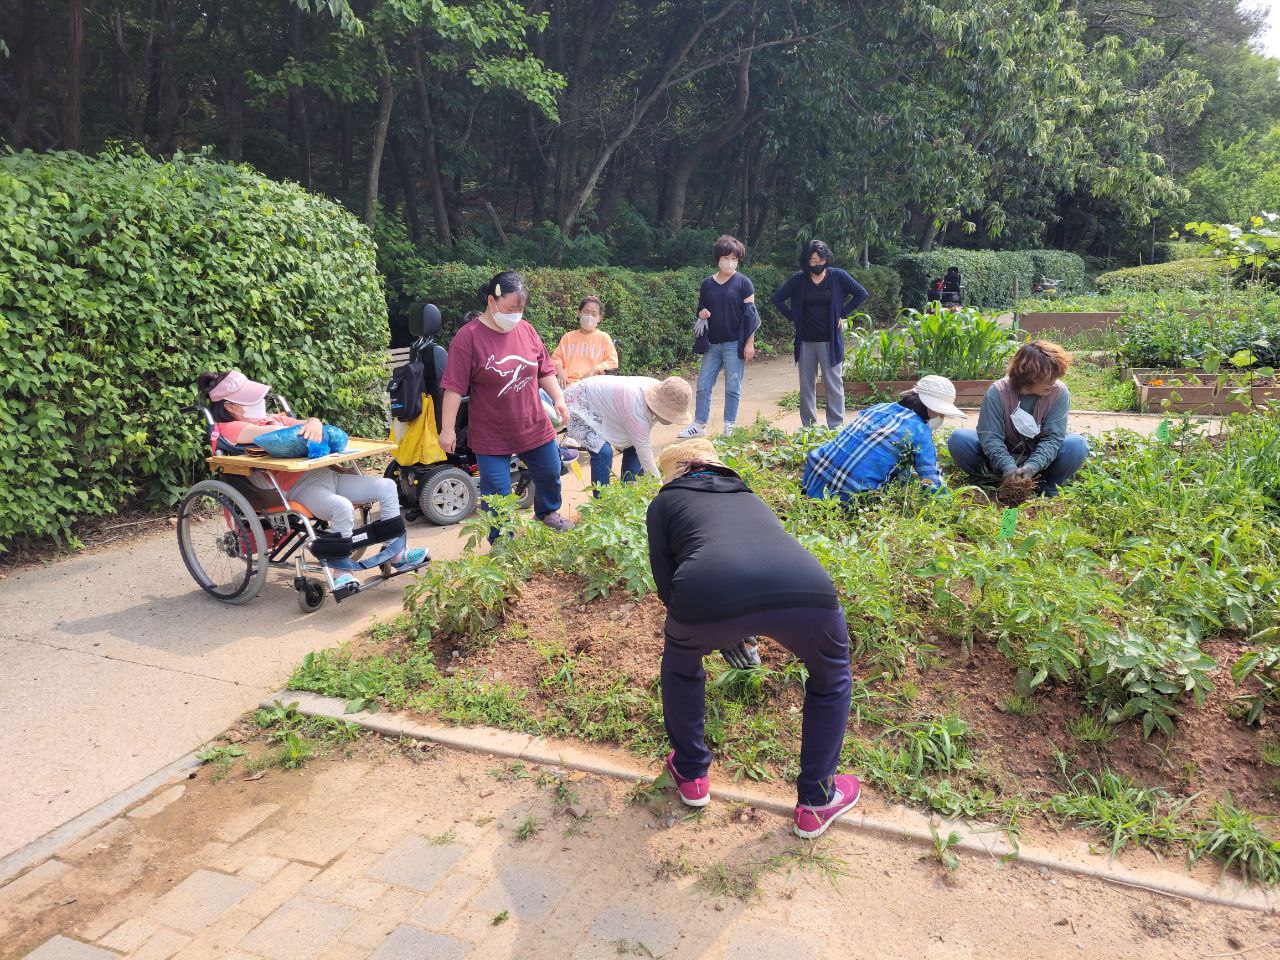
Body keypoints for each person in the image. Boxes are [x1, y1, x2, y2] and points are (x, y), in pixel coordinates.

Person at [647, 438, 859, 838]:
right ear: (718, 468)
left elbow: (667, 589)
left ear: (675, 474)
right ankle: (816, 800)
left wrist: (720, 629)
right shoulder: (749, 494)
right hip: (805, 589)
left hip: (703, 596)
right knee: (831, 678)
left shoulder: (663, 504)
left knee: (680, 665)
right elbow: (756, 559)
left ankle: (691, 774)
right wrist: (739, 626)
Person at [198, 370, 426, 581]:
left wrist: (314, 422)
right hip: (298, 489)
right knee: (342, 507)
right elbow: (271, 434)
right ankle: (340, 572)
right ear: (231, 406)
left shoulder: (274, 418)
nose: (259, 402)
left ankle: (396, 552)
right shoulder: (229, 430)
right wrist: (308, 428)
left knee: (386, 486)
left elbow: (308, 424)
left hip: (326, 476)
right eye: (250, 399)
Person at [437, 270, 574, 539]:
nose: (516, 314)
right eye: (511, 308)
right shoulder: (469, 338)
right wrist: (447, 429)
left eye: (521, 308)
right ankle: (501, 540)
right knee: (496, 493)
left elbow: (544, 370)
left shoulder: (526, 329)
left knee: (550, 472)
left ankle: (547, 513)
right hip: (492, 432)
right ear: (492, 302)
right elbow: (453, 387)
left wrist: (559, 399)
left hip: (532, 423)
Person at [947, 340, 1088, 497]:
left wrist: (1032, 467)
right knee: (960, 439)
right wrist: (1007, 466)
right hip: (1001, 458)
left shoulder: (1059, 392)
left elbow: (1053, 438)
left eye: (1056, 376)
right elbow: (990, 437)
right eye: (1048, 377)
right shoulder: (998, 392)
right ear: (1028, 374)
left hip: (1040, 463)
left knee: (1077, 445)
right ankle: (989, 482)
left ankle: (1046, 488)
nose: (1053, 382)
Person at [803, 375, 967, 501]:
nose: (942, 417)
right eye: (942, 412)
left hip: (814, 475)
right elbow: (931, 481)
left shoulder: (879, 407)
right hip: (849, 496)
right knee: (904, 468)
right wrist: (947, 504)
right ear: (931, 408)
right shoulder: (920, 431)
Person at [769, 239, 869, 429]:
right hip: (806, 341)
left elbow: (861, 293)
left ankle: (836, 426)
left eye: (819, 261)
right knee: (807, 386)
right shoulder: (799, 279)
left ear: (826, 259)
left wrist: (842, 313)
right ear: (806, 261)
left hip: (830, 341)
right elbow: (777, 299)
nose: (816, 265)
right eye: (812, 261)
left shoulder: (838, 276)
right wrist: (793, 316)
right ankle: (809, 427)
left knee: (834, 385)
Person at [679, 235, 761, 438]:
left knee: (733, 387)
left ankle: (729, 425)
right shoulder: (707, 283)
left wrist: (749, 343)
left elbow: (751, 316)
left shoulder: (744, 283)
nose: (730, 262)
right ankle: (699, 424)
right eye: (727, 257)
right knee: (703, 385)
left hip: (735, 344)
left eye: (735, 258)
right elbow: (701, 307)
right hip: (712, 344)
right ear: (718, 258)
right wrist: (701, 312)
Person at [564, 375, 693, 487]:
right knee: (603, 452)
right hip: (577, 405)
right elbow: (645, 456)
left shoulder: (659, 388)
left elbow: (640, 439)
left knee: (634, 445)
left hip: (604, 403)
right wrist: (660, 490)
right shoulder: (637, 409)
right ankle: (601, 503)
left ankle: (628, 488)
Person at [552, 296, 619, 388]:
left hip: (593, 386)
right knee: (540, 394)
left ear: (599, 318)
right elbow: (556, 359)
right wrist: (560, 371)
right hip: (566, 385)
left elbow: (612, 362)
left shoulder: (604, 338)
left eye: (594, 314)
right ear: (579, 313)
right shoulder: (568, 337)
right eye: (586, 312)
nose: (589, 317)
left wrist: (594, 370)